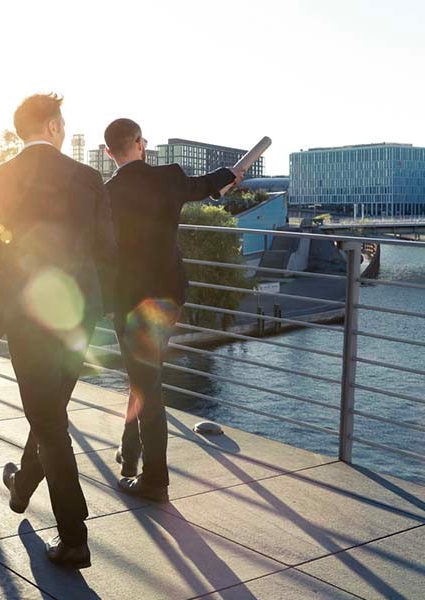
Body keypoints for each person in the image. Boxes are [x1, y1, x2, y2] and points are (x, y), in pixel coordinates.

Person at [0, 93, 116, 569]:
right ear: (51, 126)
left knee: (48, 420)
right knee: (50, 411)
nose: (65, 130)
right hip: (77, 313)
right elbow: (107, 247)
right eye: (63, 123)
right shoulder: (89, 178)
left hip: (27, 314)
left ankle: (74, 538)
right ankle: (22, 487)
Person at [102, 118, 244, 502]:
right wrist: (231, 173)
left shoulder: (106, 194)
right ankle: (130, 456)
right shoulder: (168, 177)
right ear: (140, 144)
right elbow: (204, 185)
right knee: (145, 376)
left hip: (129, 300)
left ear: (108, 152)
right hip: (167, 294)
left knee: (145, 382)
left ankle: (155, 480)